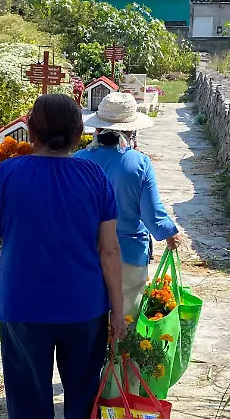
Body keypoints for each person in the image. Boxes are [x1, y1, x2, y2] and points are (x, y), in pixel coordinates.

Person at [0, 94, 128, 419]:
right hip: (84, 307)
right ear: (79, 134)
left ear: (31, 132)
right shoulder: (95, 178)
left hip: (24, 305)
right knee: (82, 392)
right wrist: (119, 312)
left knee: (27, 391)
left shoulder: (7, 175)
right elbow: (109, 250)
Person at [78, 92, 182, 317]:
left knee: (88, 319)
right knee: (126, 317)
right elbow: (151, 213)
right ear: (131, 131)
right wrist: (169, 233)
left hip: (84, 252)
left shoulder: (77, 161)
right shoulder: (140, 163)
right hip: (128, 253)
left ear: (97, 129)